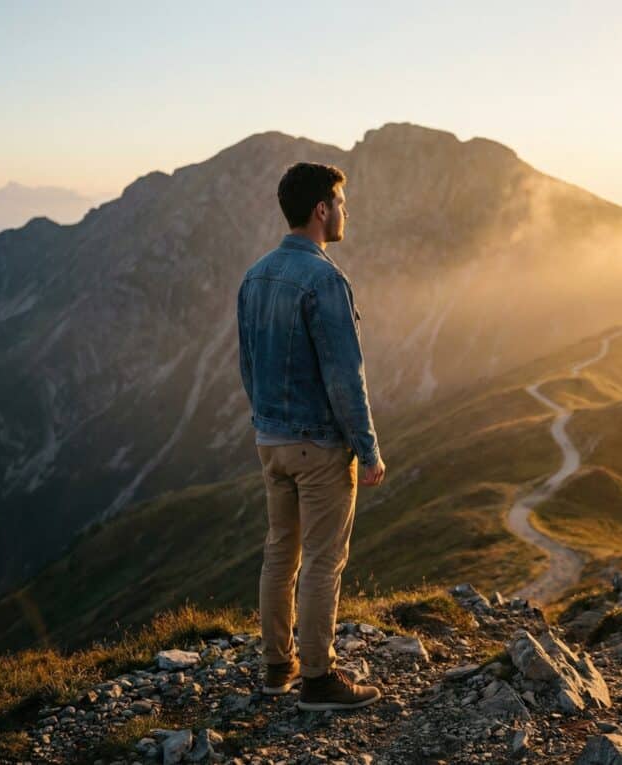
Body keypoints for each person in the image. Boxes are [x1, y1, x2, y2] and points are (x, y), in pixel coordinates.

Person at [236, 162, 386, 711]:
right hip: (320, 445)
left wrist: (267, 425)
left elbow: (247, 366)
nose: (347, 212)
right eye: (342, 203)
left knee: (280, 554)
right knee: (323, 560)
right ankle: (320, 681)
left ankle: (278, 668)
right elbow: (346, 377)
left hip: (270, 441)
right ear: (321, 210)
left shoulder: (254, 276)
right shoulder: (326, 280)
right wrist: (367, 449)